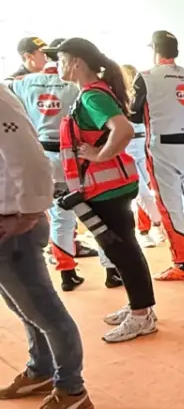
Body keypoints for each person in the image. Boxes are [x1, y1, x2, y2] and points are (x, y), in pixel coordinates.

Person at [50, 37, 158, 343]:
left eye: (60, 60)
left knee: (122, 250)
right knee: (124, 249)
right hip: (109, 186)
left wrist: (99, 156)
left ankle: (141, 315)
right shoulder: (91, 93)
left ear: (76, 62)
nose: (57, 66)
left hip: (108, 189)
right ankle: (141, 307)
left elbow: (122, 129)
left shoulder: (92, 97)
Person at [0, 86, 92, 409]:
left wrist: (28, 212)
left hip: (13, 223)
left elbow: (29, 158)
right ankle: (41, 369)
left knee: (44, 311)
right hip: (9, 219)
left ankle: (71, 389)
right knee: (23, 307)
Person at [6, 36, 111, 289]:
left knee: (60, 216)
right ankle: (111, 270)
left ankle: (67, 274)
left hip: (44, 155)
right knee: (97, 214)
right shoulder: (76, 84)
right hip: (75, 156)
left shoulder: (24, 83)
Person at [131, 30, 184, 277]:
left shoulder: (146, 77)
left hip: (162, 149)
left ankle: (181, 263)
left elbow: (134, 115)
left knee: (170, 206)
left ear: (155, 50)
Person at [120, 62, 164, 249]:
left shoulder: (143, 97)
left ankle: (149, 228)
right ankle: (154, 224)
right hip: (127, 149)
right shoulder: (117, 98)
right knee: (142, 192)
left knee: (150, 191)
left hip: (144, 147)